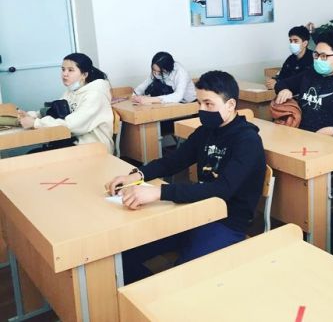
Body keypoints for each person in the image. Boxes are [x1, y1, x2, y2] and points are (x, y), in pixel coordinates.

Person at [106, 71, 266, 284]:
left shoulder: (247, 141)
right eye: (199, 103)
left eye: (209, 104)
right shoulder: (206, 131)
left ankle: (156, 293)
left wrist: (159, 192)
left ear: (230, 105)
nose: (202, 110)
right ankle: (145, 293)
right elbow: (173, 161)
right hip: (196, 211)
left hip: (228, 222)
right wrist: (138, 174)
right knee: (124, 255)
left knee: (180, 278)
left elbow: (222, 189)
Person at [274, 30, 333, 141]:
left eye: (324, 56)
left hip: (330, 143)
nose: (318, 59)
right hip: (302, 138)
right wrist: (284, 90)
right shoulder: (309, 75)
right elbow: (282, 83)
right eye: (316, 55)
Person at [18, 53, 114, 153]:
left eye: (70, 70)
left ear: (84, 75)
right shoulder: (72, 90)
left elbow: (72, 126)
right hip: (72, 142)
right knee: (32, 154)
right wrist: (32, 115)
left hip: (92, 148)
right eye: (63, 69)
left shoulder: (95, 95)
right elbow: (56, 111)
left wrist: (36, 123)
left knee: (34, 156)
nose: (65, 74)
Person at [266, 26, 313, 90]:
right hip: (287, 91)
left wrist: (279, 84)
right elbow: (282, 75)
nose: (292, 44)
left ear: (305, 43)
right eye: (291, 41)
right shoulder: (290, 59)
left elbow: (302, 81)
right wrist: (274, 81)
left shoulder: (313, 59)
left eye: (295, 41)